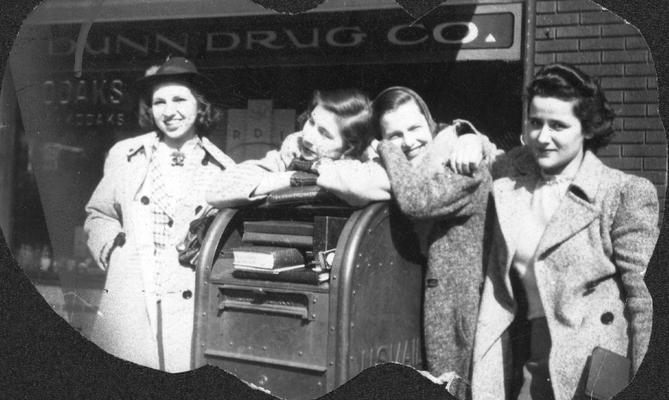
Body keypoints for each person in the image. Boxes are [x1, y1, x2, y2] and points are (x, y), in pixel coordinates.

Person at [461, 63, 659, 400]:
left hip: (593, 362)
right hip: (528, 349)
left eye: (559, 125)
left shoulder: (622, 192)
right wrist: (462, 136)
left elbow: (646, 299)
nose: (542, 136)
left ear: (588, 129)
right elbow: (481, 150)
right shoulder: (513, 176)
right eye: (535, 122)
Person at [84, 57, 235, 372]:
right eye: (159, 102)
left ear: (200, 104)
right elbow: (99, 213)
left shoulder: (223, 169)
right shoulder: (126, 155)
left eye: (180, 99)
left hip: (188, 304)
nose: (169, 111)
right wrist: (114, 251)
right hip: (132, 299)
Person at [372, 87, 492, 400]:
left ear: (429, 122)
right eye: (395, 135)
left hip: (464, 310)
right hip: (440, 307)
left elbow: (416, 201)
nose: (409, 142)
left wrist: (387, 149)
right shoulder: (418, 170)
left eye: (414, 128)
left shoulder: (461, 161)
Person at [206, 88, 391, 208]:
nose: (308, 138)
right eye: (311, 122)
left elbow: (361, 185)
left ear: (349, 147)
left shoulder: (370, 166)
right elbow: (219, 189)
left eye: (325, 134)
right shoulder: (290, 155)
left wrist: (317, 170)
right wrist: (292, 178)